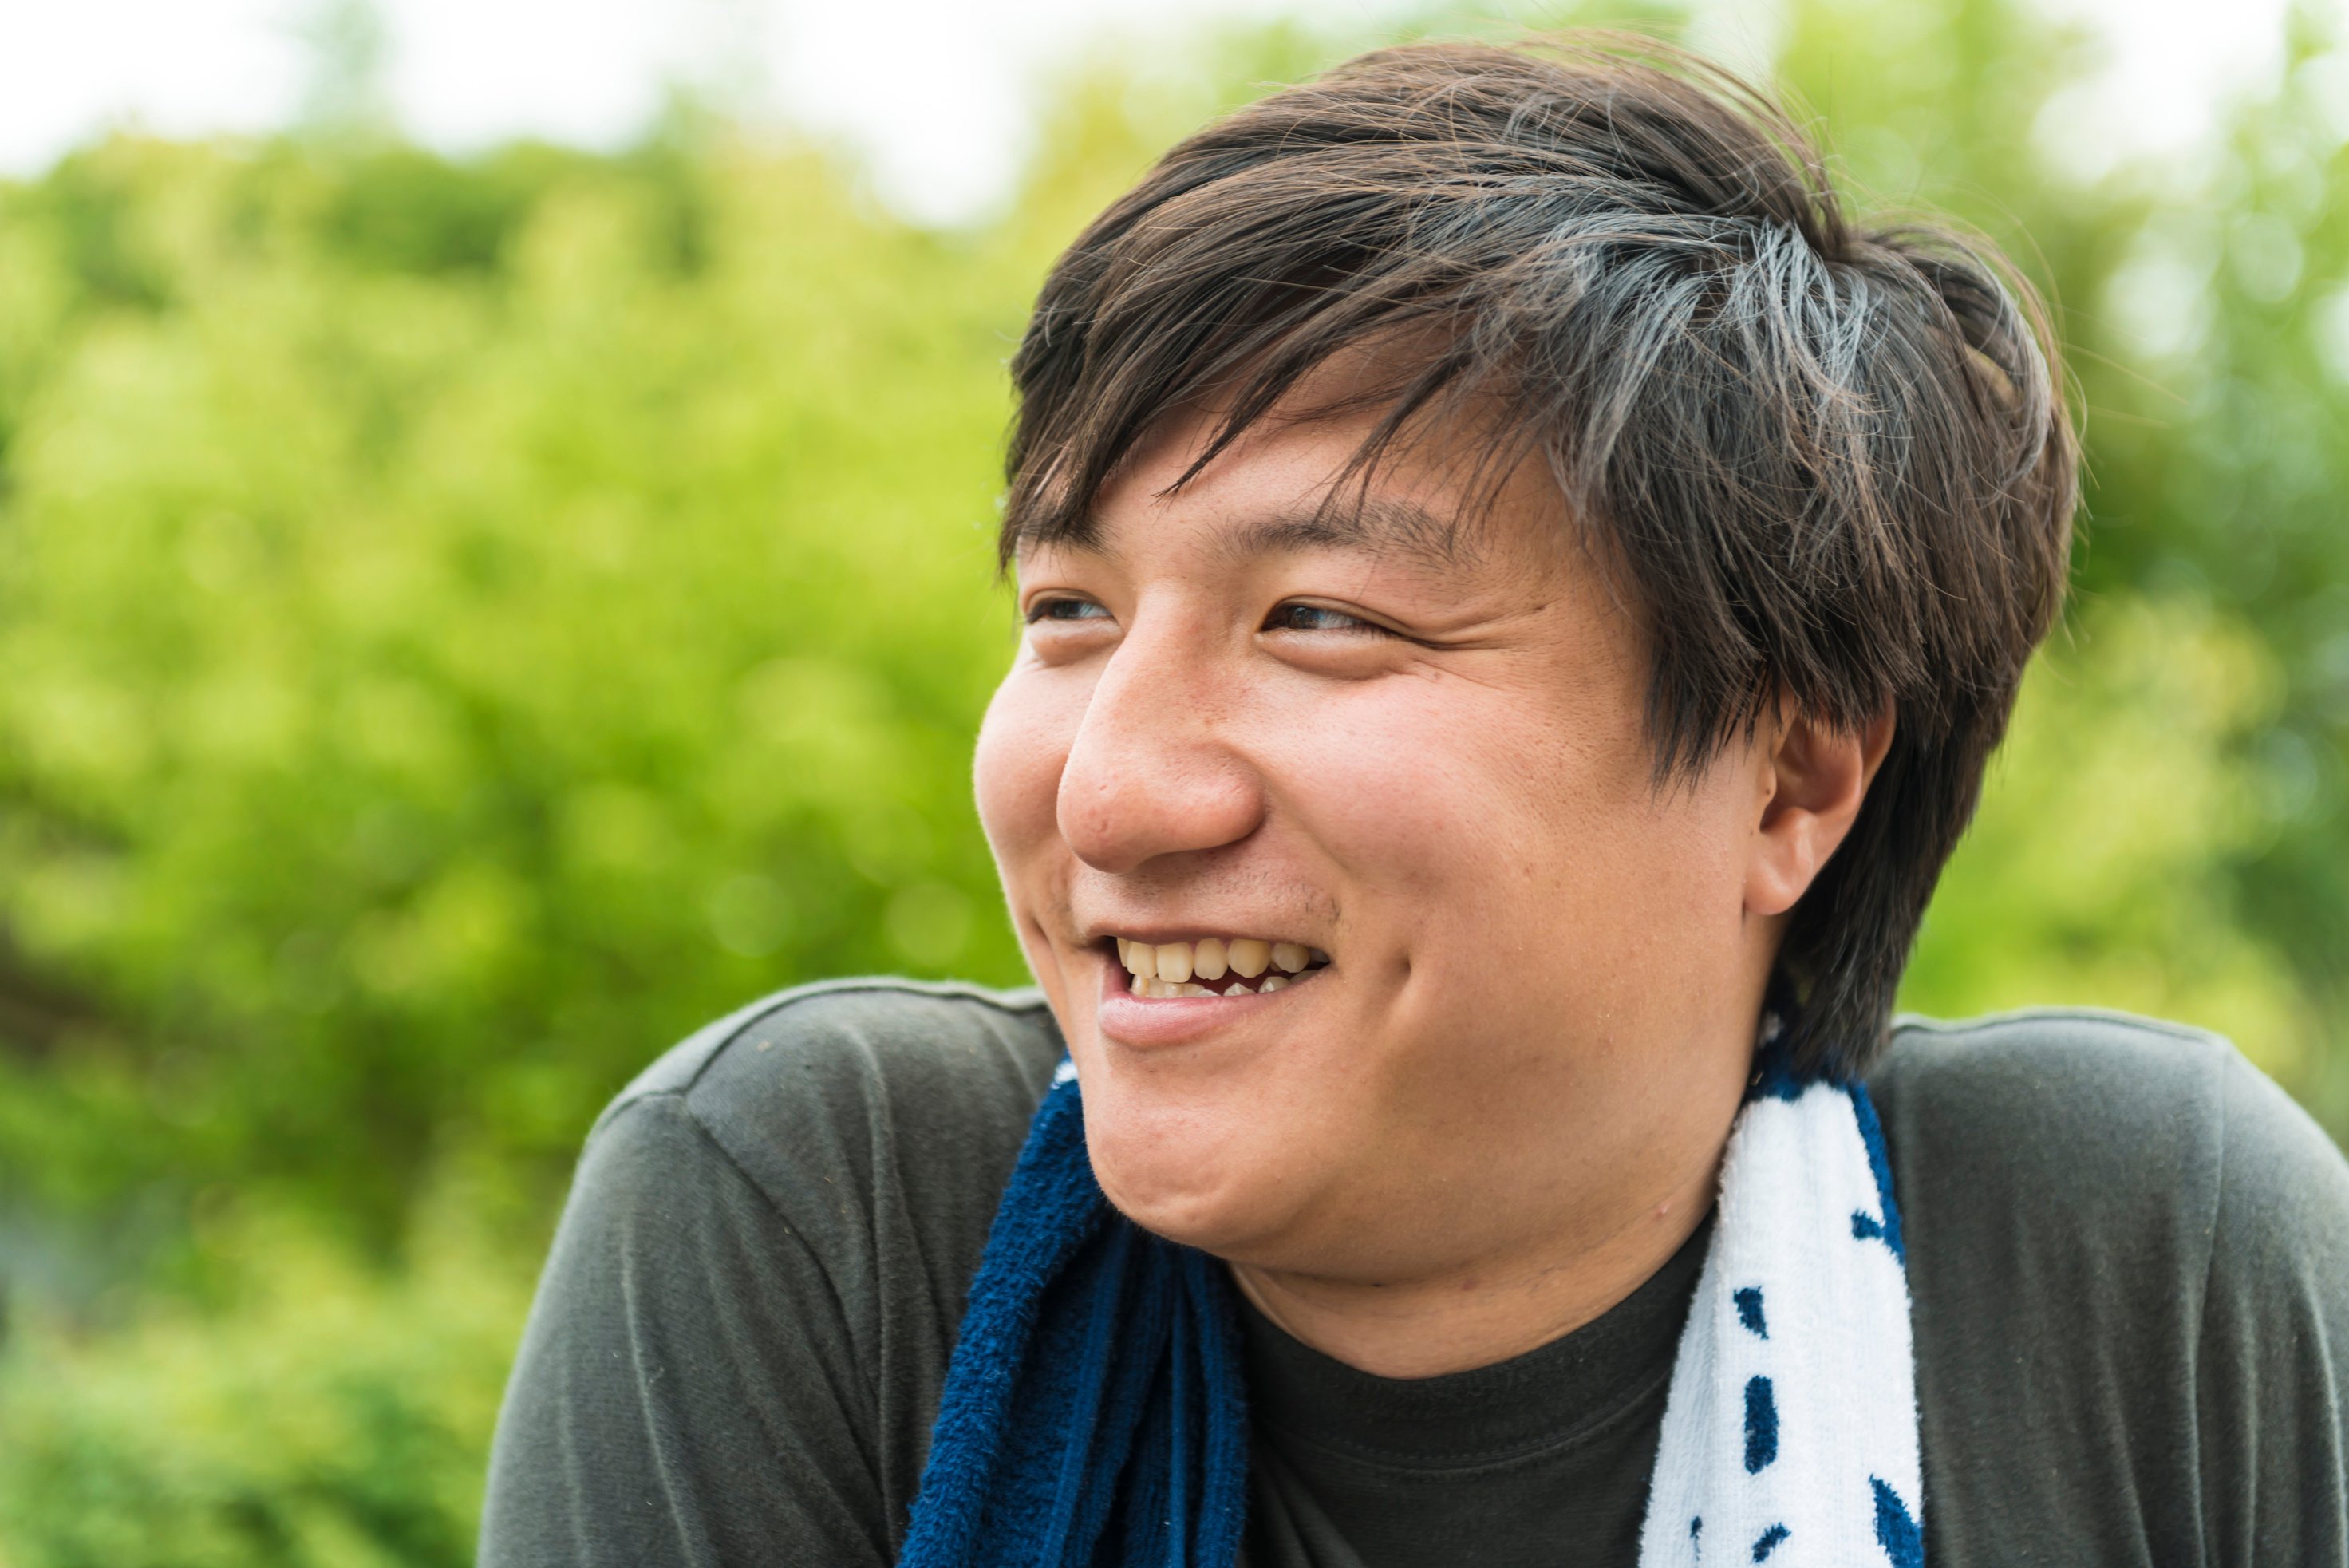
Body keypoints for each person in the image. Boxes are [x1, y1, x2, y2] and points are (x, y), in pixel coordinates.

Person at [477, 34, 2349, 1568]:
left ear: (1787, 774)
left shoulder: (2132, 1261)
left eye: (1321, 618)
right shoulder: (831, 1215)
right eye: (1069, 610)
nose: (1114, 790)